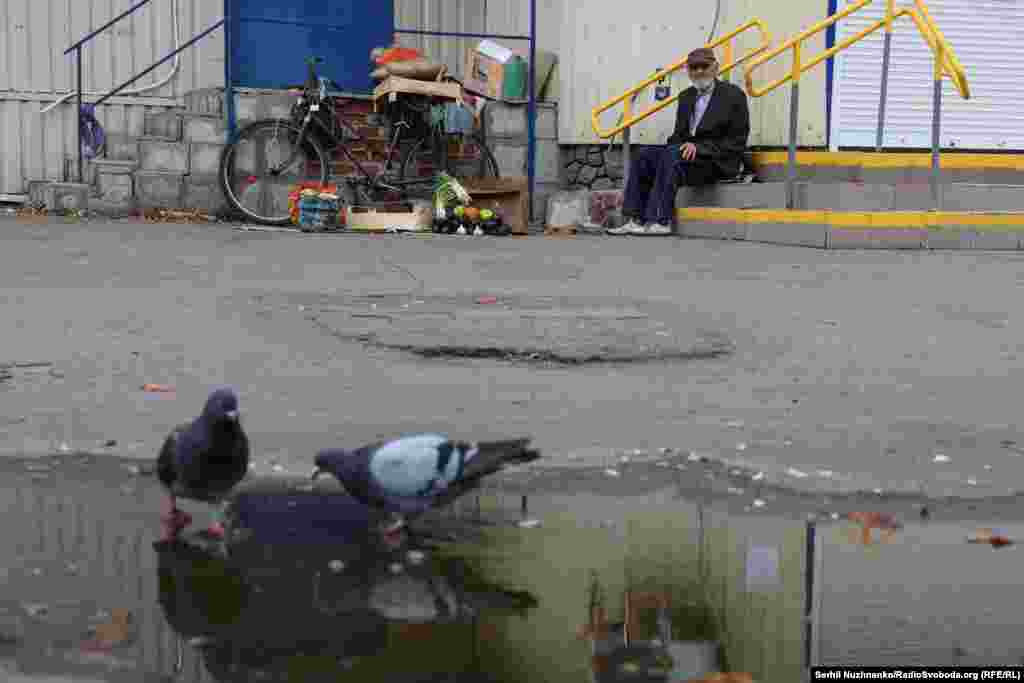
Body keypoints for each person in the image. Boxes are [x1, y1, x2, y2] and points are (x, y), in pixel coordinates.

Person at [608, 47, 751, 236]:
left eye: (704, 66)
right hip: (687, 158)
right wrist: (667, 152)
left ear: (716, 68)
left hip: (717, 161)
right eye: (694, 67)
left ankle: (660, 220)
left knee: (673, 155)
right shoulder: (686, 97)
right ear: (688, 71)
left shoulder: (733, 96)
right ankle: (635, 219)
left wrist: (699, 148)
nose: (699, 71)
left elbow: (737, 141)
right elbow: (678, 136)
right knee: (645, 155)